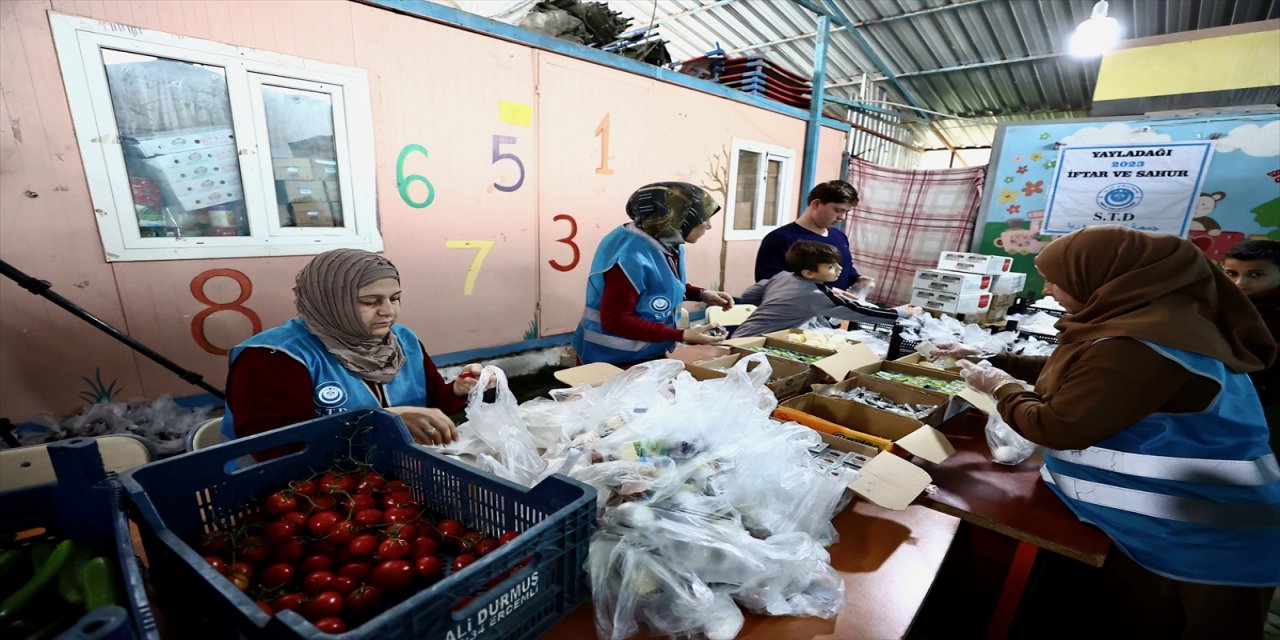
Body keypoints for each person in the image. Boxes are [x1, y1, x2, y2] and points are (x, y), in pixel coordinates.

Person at [932, 226, 1278, 638]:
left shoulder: (1142, 343)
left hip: (1200, 532)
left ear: (1107, 278)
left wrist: (998, 387)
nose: (1049, 288)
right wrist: (991, 358)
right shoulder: (1151, 321)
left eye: (1056, 280)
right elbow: (1082, 374)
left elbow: (1058, 426)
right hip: (1163, 520)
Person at [225, 249, 485, 458]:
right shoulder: (274, 357)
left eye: (394, 298)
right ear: (328, 302)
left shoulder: (401, 340)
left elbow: (430, 406)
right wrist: (379, 422)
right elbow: (274, 449)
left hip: (391, 473)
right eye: (370, 302)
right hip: (304, 490)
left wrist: (458, 390)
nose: (388, 312)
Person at [572, 182, 734, 366]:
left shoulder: (667, 243)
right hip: (609, 360)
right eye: (702, 219)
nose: (708, 226)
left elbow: (659, 286)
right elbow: (615, 320)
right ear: (674, 219)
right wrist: (682, 335)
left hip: (645, 354)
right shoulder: (629, 257)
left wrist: (701, 294)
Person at [733, 240, 920, 338]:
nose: (839, 269)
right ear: (808, 273)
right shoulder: (814, 294)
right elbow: (859, 312)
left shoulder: (783, 276)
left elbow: (749, 295)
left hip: (741, 334)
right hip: (754, 342)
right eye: (831, 267)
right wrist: (902, 313)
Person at [753, 179, 872, 298]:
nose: (842, 217)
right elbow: (769, 282)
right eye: (838, 210)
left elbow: (846, 268)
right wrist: (826, 292)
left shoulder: (839, 236)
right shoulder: (780, 238)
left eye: (847, 212)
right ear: (816, 204)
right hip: (799, 313)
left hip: (838, 313)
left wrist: (857, 279)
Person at [1224, 239, 1280, 455]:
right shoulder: (1220, 303)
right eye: (1231, 273)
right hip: (1233, 397)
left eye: (1256, 274)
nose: (1240, 283)